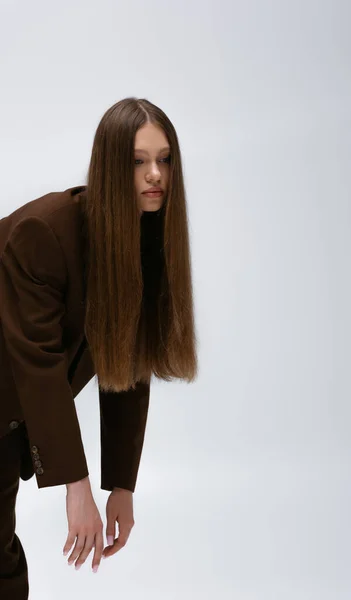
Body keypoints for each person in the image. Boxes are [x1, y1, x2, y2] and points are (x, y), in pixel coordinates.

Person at [0, 97, 198, 598]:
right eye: (138, 161)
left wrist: (122, 487)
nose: (155, 174)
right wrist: (78, 486)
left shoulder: (144, 242)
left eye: (165, 159)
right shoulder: (43, 233)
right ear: (112, 165)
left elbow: (127, 363)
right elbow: (39, 364)